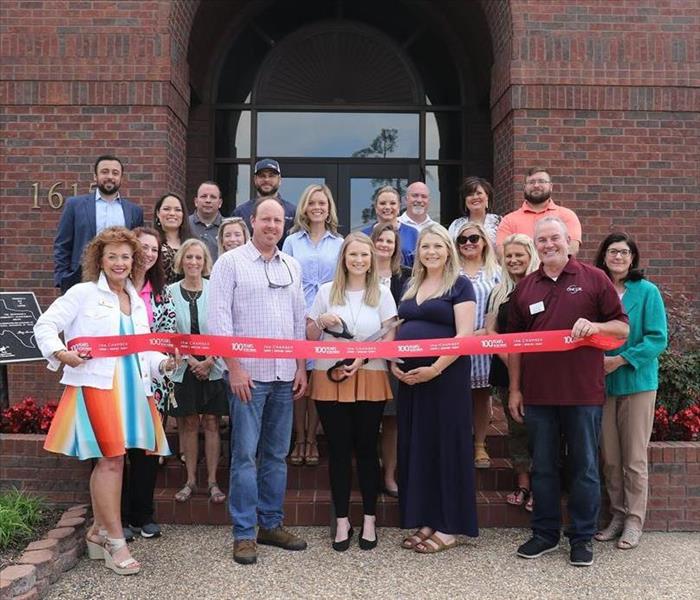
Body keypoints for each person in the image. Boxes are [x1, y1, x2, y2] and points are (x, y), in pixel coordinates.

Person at [35, 226, 175, 576]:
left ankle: (98, 532)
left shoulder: (137, 301)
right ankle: (116, 541)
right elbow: (45, 325)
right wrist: (62, 354)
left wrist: (165, 362)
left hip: (134, 388)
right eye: (111, 256)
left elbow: (145, 348)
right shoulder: (82, 294)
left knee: (114, 461)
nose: (119, 262)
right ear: (100, 259)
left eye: (125, 256)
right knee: (111, 461)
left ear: (134, 261)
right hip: (98, 386)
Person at [508, 216, 628, 567]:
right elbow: (515, 345)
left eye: (554, 239)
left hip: (582, 394)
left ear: (568, 241)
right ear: (536, 245)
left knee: (584, 468)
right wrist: (515, 390)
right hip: (539, 395)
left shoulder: (594, 279)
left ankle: (581, 537)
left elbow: (621, 328)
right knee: (543, 467)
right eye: (542, 240)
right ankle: (544, 534)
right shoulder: (526, 287)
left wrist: (595, 326)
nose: (548, 245)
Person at [209, 197, 308, 566]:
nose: (272, 226)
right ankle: (244, 534)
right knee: (245, 457)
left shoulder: (292, 266)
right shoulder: (229, 263)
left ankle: (271, 524)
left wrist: (300, 367)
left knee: (276, 455)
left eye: (278, 221)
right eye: (265, 219)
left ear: (285, 225)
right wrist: (233, 367)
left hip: (284, 376)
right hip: (248, 377)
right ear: (253, 221)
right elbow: (218, 320)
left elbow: (299, 320)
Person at [307, 232, 397, 551]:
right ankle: (342, 520)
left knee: (366, 450)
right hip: (330, 376)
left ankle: (370, 519)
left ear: (372, 259)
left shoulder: (383, 293)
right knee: (339, 450)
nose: (358, 260)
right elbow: (308, 334)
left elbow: (389, 337)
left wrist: (363, 358)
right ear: (343, 258)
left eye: (364, 255)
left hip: (370, 375)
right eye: (352, 255)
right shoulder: (325, 291)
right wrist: (320, 320)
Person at [393, 224, 478, 553]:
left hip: (446, 379)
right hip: (412, 382)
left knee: (447, 447)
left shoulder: (460, 284)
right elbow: (398, 327)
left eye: (437, 247)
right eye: (425, 247)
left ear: (448, 250)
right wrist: (393, 363)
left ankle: (449, 525)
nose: (431, 252)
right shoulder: (412, 284)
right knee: (420, 447)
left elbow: (464, 336)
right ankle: (428, 517)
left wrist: (435, 368)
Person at [593, 233, 668, 550]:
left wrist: (621, 360)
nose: (618, 257)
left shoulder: (647, 291)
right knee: (610, 457)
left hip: (637, 383)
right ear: (604, 256)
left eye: (624, 252)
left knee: (634, 458)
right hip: (602, 385)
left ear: (633, 258)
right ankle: (618, 516)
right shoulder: (597, 290)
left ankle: (635, 521)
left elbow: (657, 338)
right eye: (612, 251)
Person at [120, 227, 177, 541]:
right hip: (119, 380)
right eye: (143, 247)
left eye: (154, 249)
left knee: (147, 451)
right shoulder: (116, 287)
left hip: (155, 379)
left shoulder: (161, 291)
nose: (149, 253)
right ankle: (121, 517)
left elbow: (166, 336)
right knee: (120, 449)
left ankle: (144, 514)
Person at [282, 184, 343, 467]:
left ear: (329, 207)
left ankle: (312, 439)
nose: (318, 207)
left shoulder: (339, 242)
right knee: (299, 377)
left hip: (326, 314)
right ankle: (298, 438)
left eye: (323, 203)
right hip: (298, 312)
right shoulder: (293, 241)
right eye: (313, 203)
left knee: (318, 375)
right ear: (305, 207)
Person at [166, 239, 228, 505]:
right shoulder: (169, 292)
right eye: (189, 257)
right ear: (181, 260)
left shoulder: (217, 290)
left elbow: (225, 327)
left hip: (213, 365)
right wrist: (192, 361)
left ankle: (213, 482)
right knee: (189, 423)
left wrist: (210, 360)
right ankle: (190, 480)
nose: (193, 262)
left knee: (212, 422)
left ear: (205, 263)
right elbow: (168, 330)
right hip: (183, 366)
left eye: (198, 258)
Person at [485, 233, 540, 512]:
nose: (513, 260)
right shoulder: (499, 292)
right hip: (507, 372)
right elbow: (490, 331)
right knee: (517, 430)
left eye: (519, 255)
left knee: (542, 431)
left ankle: (542, 487)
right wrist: (509, 360)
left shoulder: (542, 289)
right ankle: (523, 485)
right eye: (508, 256)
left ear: (531, 256)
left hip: (541, 374)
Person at [54, 155, 144, 292]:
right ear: (95, 176)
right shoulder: (75, 205)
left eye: (115, 173)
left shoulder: (134, 211)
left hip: (119, 280)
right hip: (81, 279)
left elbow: (136, 248)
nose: (110, 176)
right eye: (104, 172)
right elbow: (62, 244)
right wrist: (63, 278)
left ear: (121, 178)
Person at [370, 223, 411, 497]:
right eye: (380, 240)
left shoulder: (406, 277)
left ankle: (389, 475)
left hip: (395, 356)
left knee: (392, 420)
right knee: (367, 418)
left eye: (390, 241)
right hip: (366, 358)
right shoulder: (360, 273)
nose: (385, 245)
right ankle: (369, 474)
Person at [456, 221, 500, 468]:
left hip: (483, 342)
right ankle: (459, 443)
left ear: (483, 241)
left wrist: (484, 332)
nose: (468, 243)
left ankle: (480, 445)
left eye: (473, 238)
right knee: (456, 395)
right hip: (456, 342)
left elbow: (498, 308)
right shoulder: (451, 271)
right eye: (462, 240)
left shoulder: (495, 272)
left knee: (480, 396)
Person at [496, 167, 582, 255]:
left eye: (541, 181)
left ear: (551, 186)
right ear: (524, 187)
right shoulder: (509, 220)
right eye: (531, 182)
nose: (536, 185)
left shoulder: (567, 215)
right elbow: (502, 253)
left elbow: (572, 249)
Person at [233, 159, 296, 248]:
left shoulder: (293, 212)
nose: (266, 179)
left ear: (280, 180)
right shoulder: (241, 212)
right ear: (255, 179)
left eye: (271, 176)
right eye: (262, 176)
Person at [362, 186, 419, 267]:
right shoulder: (364, 236)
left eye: (392, 203)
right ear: (375, 207)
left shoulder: (413, 234)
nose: (387, 207)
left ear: (399, 207)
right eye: (382, 203)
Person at [448, 177, 501, 246]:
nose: (475, 197)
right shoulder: (456, 225)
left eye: (479, 193)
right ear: (465, 200)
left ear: (487, 197)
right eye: (470, 194)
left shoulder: (499, 222)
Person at [153, 192, 192, 284]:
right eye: (166, 209)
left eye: (177, 210)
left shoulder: (192, 243)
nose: (172, 213)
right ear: (158, 213)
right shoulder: (151, 242)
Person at [188, 181, 224, 261]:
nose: (208, 200)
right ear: (196, 202)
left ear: (220, 203)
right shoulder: (185, 224)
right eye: (203, 196)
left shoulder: (227, 228)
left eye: (213, 197)